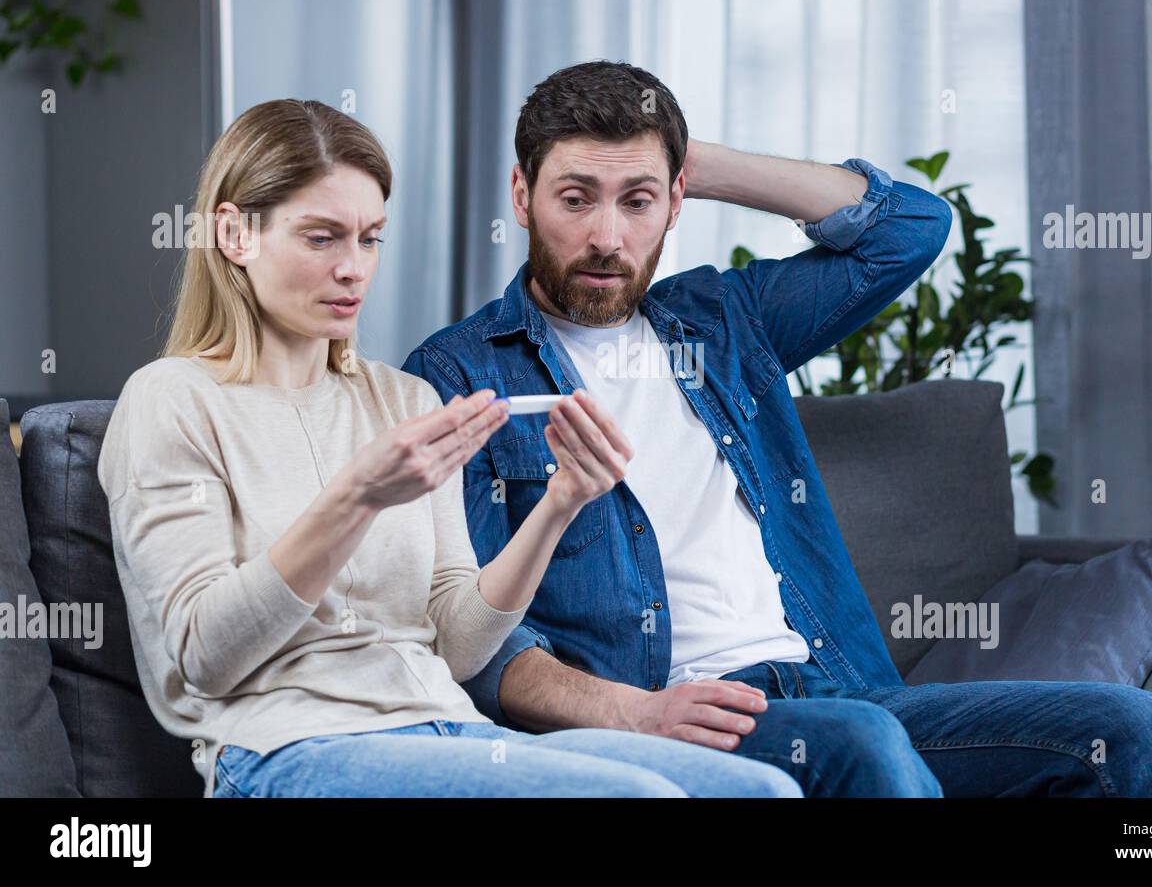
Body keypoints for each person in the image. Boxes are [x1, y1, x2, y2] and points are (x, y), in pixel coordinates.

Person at [403, 60, 1152, 798]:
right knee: (865, 744)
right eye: (575, 198)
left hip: (839, 689)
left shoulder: (723, 320)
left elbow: (908, 229)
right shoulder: (457, 374)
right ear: (522, 194)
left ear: (677, 199)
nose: (607, 238)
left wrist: (689, 156)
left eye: (639, 200)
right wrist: (638, 713)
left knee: (1143, 731)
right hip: (675, 720)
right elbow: (475, 641)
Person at [97, 98, 801, 799]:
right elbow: (201, 658)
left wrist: (559, 504)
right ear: (235, 234)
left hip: (448, 727)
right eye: (321, 238)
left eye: (369, 238)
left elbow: (459, 645)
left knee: (758, 791)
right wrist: (356, 498)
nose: (353, 269)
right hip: (285, 748)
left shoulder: (401, 401)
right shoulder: (173, 400)